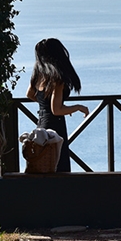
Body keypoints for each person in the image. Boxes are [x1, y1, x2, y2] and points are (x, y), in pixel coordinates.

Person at [26, 38, 89, 173]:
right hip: (56, 126)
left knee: (44, 163)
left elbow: (30, 94)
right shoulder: (57, 79)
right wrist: (78, 107)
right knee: (59, 166)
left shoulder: (38, 75)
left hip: (41, 124)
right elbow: (57, 110)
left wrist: (45, 105)